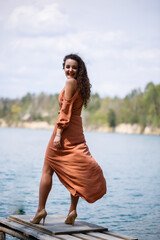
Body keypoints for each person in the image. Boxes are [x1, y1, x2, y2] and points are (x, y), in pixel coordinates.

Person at [30, 54, 107, 226]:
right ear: (63, 68)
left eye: (74, 67)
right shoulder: (81, 84)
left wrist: (58, 133)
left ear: (79, 70)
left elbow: (65, 110)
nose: (70, 70)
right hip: (77, 131)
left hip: (64, 130)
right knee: (76, 170)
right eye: (68, 66)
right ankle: (72, 210)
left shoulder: (70, 83)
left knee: (47, 169)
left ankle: (40, 210)